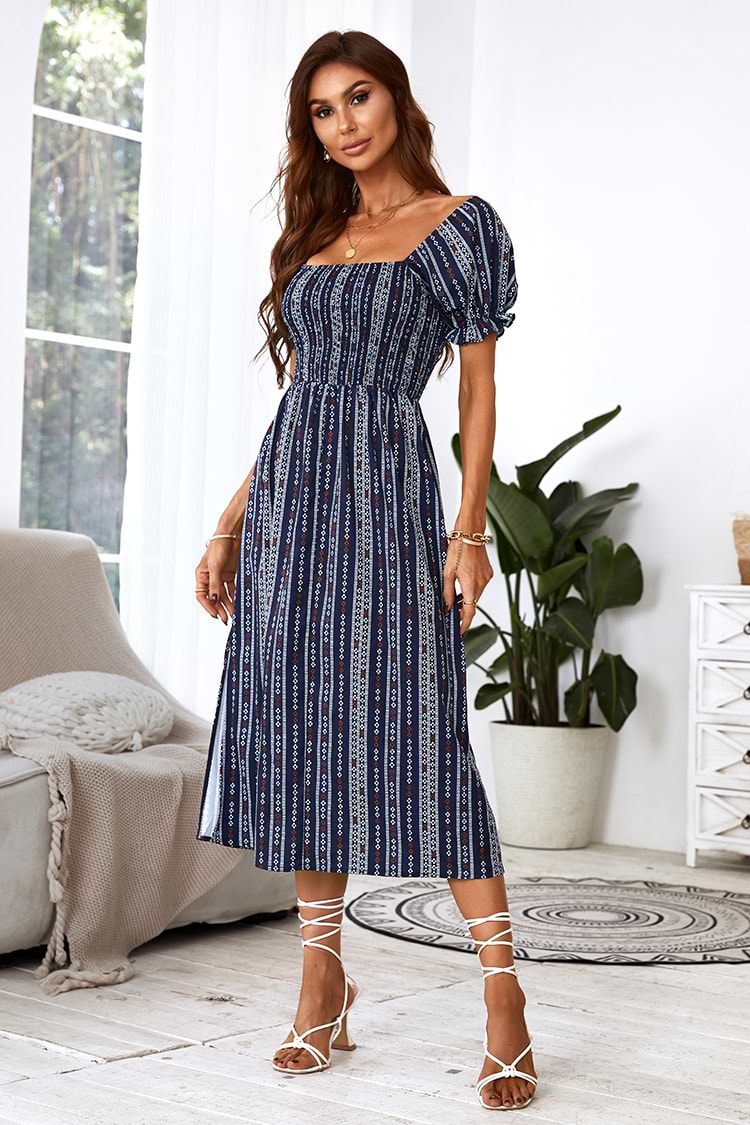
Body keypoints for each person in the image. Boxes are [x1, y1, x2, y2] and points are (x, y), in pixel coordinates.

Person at [193, 29, 537, 1113]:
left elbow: (476, 391)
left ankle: (503, 994)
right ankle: (322, 982)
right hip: (290, 511)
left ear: (396, 99)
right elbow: (299, 399)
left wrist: (470, 532)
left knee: (423, 730)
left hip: (389, 500)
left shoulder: (459, 227)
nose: (343, 124)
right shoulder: (316, 237)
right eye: (322, 111)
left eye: (358, 98)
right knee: (301, 731)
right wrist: (230, 522)